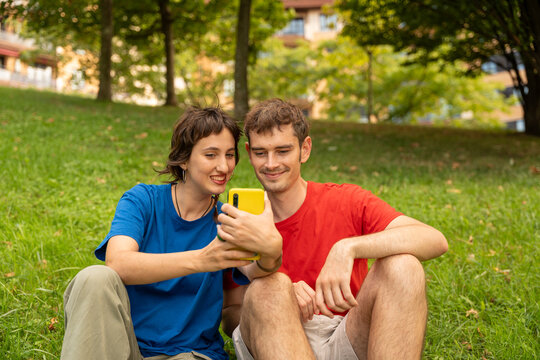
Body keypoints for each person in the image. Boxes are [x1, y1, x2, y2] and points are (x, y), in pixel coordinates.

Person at [218, 99, 449, 360]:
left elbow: (433, 239)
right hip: (274, 339)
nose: (271, 164)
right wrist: (280, 297)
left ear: (304, 149)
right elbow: (230, 316)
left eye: (283, 151)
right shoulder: (240, 220)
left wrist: (348, 247)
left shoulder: (346, 200)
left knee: (404, 266)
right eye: (261, 153)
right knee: (268, 289)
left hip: (346, 334)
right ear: (249, 153)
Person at [60, 106, 282, 360]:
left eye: (229, 155)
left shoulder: (229, 220)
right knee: (94, 277)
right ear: (184, 159)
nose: (223, 166)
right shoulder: (143, 201)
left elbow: (255, 270)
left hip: (191, 354)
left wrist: (271, 251)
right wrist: (202, 259)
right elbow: (118, 263)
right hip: (125, 349)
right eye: (211, 155)